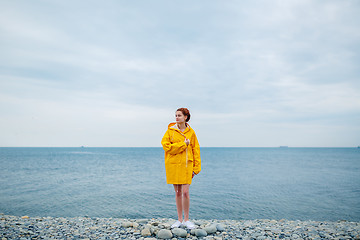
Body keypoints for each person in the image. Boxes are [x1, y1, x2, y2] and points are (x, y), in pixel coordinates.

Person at [161, 108, 201, 229]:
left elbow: (196, 150)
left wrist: (196, 167)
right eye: (176, 115)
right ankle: (179, 219)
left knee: (185, 192)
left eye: (179, 115)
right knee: (178, 193)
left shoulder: (191, 133)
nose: (176, 117)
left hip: (187, 165)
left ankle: (187, 219)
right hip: (173, 165)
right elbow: (167, 147)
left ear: (186, 117)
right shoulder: (170, 132)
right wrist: (184, 144)